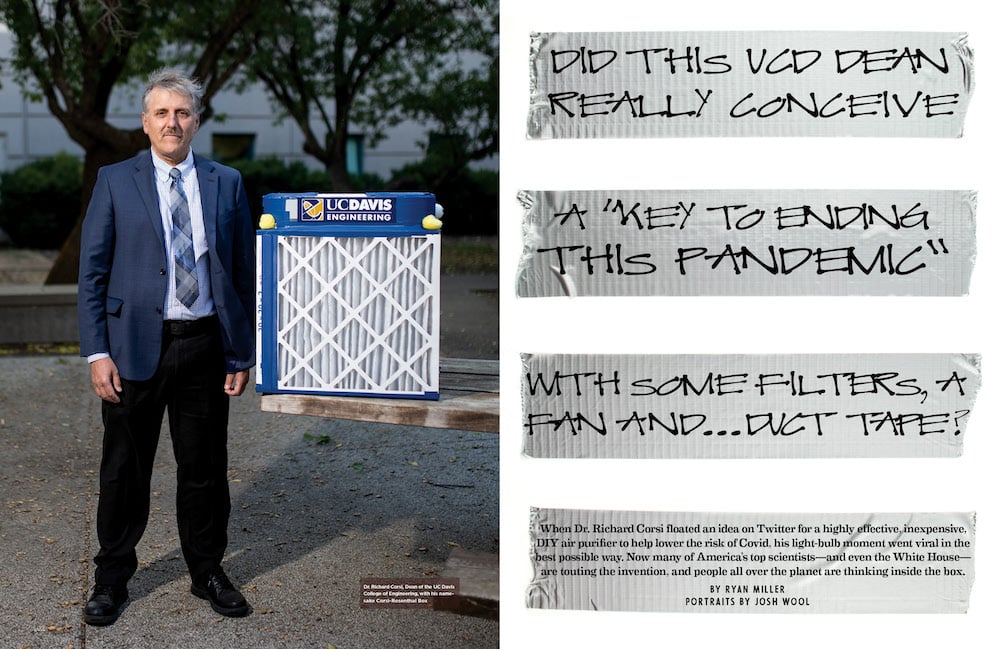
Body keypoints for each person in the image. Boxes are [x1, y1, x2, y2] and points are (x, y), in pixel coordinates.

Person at [77, 68, 256, 626]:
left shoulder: (226, 181)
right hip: (133, 349)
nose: (172, 122)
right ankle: (111, 580)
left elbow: (243, 274)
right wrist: (96, 352)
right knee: (124, 469)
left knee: (203, 468)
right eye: (162, 112)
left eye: (182, 112)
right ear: (146, 121)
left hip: (203, 346)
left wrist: (241, 352)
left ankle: (207, 570)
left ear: (196, 121)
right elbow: (93, 273)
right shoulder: (114, 179)